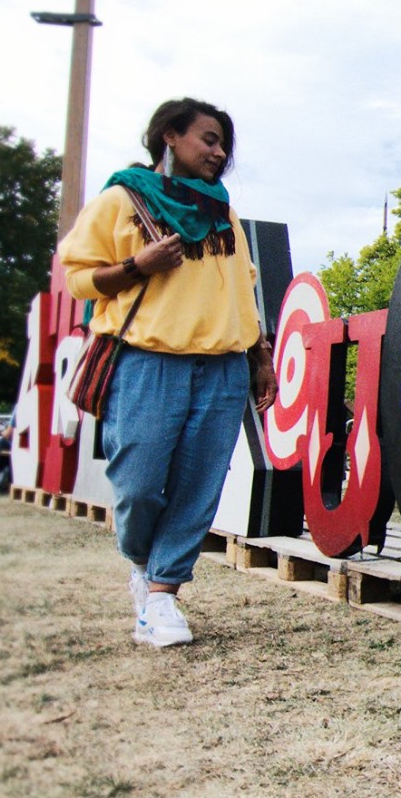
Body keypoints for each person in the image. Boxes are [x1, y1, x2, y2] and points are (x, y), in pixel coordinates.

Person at [59, 97, 273, 648]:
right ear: (169, 136)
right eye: (209, 140)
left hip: (223, 366)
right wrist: (139, 265)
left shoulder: (223, 214)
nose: (219, 153)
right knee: (137, 482)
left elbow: (243, 289)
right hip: (146, 360)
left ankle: (162, 594)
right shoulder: (121, 199)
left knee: (199, 484)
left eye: (224, 145)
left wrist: (260, 356)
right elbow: (78, 278)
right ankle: (141, 562)